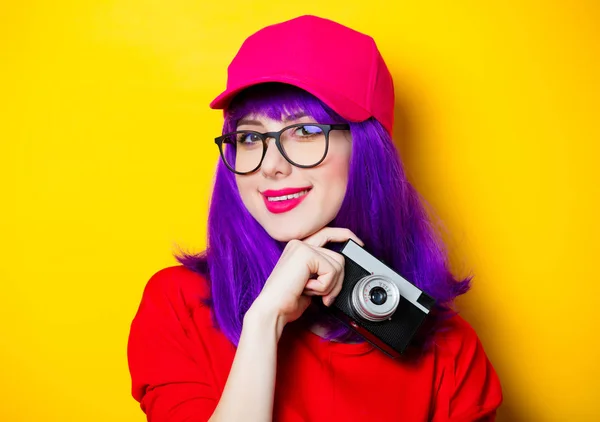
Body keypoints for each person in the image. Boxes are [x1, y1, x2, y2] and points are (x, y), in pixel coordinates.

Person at [127, 15, 502, 422]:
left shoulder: (448, 350)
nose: (270, 165)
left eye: (304, 131)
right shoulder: (180, 307)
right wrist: (264, 322)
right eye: (251, 137)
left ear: (366, 150)